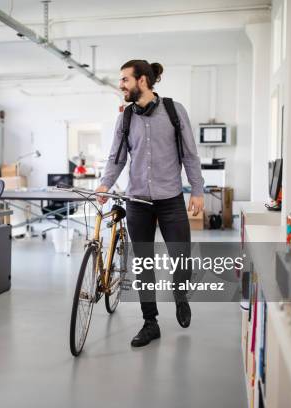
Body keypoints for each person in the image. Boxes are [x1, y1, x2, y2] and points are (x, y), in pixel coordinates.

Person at [97, 60, 204, 347]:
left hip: (171, 199)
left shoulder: (173, 110)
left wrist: (197, 189)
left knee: (181, 258)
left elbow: (190, 155)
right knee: (143, 263)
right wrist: (105, 183)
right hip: (137, 201)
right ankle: (150, 322)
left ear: (142, 80)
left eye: (125, 80)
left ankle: (180, 296)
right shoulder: (126, 118)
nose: (121, 85)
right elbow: (116, 157)